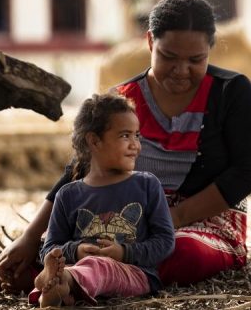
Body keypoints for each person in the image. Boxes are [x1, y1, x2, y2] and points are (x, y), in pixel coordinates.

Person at [0, 0, 251, 291]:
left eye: (196, 60)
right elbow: (80, 168)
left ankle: (70, 278)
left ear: (210, 50)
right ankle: (46, 274)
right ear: (149, 42)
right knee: (65, 245)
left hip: (202, 222)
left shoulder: (233, 92)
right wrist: (30, 235)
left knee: (182, 253)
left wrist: (167, 220)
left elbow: (246, 173)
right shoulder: (122, 100)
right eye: (169, 57)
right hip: (124, 216)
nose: (181, 71)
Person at [31, 93, 174, 306]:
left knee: (99, 267)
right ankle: (61, 289)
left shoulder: (146, 185)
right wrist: (75, 250)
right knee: (77, 268)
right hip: (78, 268)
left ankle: (59, 282)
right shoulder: (68, 194)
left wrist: (124, 252)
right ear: (94, 140)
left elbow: (165, 241)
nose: (135, 145)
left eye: (137, 136)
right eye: (125, 136)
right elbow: (49, 248)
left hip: (134, 272)